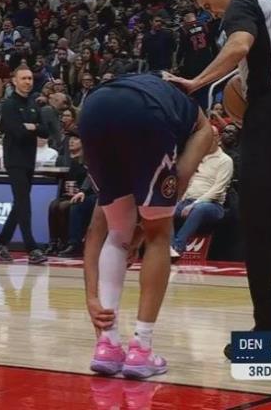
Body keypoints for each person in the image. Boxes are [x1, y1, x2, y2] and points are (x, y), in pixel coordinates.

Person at [166, 0, 271, 355]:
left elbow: (238, 45)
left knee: (258, 223)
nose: (213, 13)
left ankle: (266, 327)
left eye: (209, 6)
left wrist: (195, 82)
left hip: (269, 115)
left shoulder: (243, 3)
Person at [79, 73, 212, 379]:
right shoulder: (201, 125)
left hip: (92, 109)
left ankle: (107, 344)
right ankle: (141, 348)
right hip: (145, 113)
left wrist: (91, 298)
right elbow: (177, 185)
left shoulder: (136, 89)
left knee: (116, 232)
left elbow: (95, 233)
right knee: (160, 235)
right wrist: (148, 229)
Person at [0, 66, 49, 265]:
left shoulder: (33, 103)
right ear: (14, 81)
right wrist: (32, 128)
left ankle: (1, 242)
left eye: (30, 78)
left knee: (20, 203)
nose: (28, 82)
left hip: (29, 159)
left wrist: (31, 127)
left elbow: (46, 131)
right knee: (24, 202)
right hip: (14, 159)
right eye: (24, 78)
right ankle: (31, 248)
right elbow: (18, 132)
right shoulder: (9, 105)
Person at [171, 126, 233, 257]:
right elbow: (186, 180)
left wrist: (195, 203)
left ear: (217, 139)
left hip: (212, 205)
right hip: (187, 200)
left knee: (199, 209)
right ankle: (169, 247)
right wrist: (180, 199)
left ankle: (178, 246)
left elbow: (218, 189)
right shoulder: (196, 157)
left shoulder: (225, 160)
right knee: (166, 209)